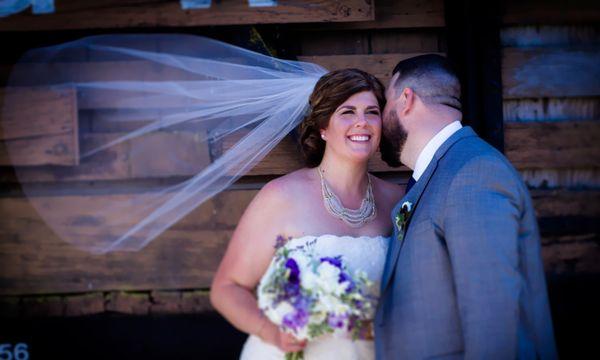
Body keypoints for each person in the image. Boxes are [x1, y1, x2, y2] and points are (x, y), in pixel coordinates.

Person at [210, 68, 404, 359]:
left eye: (372, 112)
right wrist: (271, 331)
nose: (362, 123)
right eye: (348, 112)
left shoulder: (396, 200)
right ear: (323, 127)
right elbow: (227, 288)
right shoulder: (282, 197)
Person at [375, 54, 558, 359]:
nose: (381, 118)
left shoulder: (473, 174)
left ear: (406, 100)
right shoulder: (442, 173)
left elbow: (493, 319)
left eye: (384, 103)